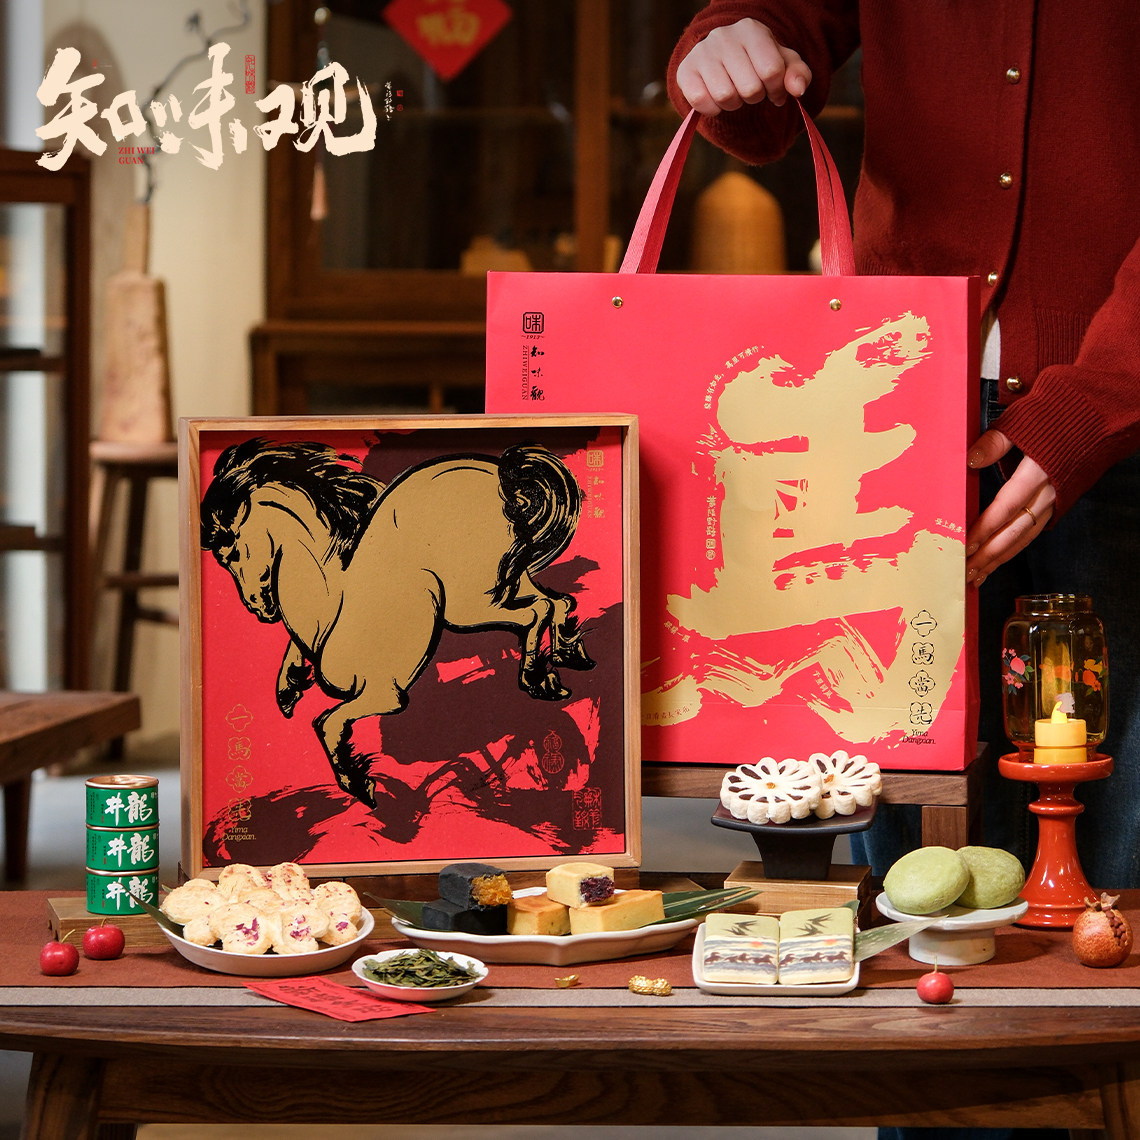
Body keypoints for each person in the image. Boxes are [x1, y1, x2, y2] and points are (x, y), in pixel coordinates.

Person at [669, 9, 1140, 1139]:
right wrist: (731, 38)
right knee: (916, 895)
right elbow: (778, 27)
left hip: (1127, 417)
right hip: (889, 407)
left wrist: (1099, 401)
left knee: (1119, 888)